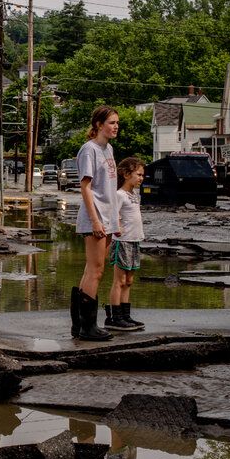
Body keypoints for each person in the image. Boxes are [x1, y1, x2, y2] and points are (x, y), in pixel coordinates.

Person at [68, 105, 119, 342]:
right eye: (111, 122)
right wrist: (96, 220)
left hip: (107, 218)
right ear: (99, 125)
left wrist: (114, 220)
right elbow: (86, 187)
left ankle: (79, 324)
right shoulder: (89, 150)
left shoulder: (108, 149)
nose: (115, 126)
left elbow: (109, 189)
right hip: (94, 218)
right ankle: (89, 327)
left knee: (92, 269)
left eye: (117, 123)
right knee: (96, 271)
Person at [105, 157, 145, 332]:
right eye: (138, 174)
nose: (141, 178)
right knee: (119, 280)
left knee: (129, 280)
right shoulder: (119, 194)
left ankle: (125, 315)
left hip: (135, 240)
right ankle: (115, 317)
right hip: (122, 242)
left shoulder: (135, 195)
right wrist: (117, 226)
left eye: (142, 175)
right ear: (126, 174)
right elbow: (112, 213)